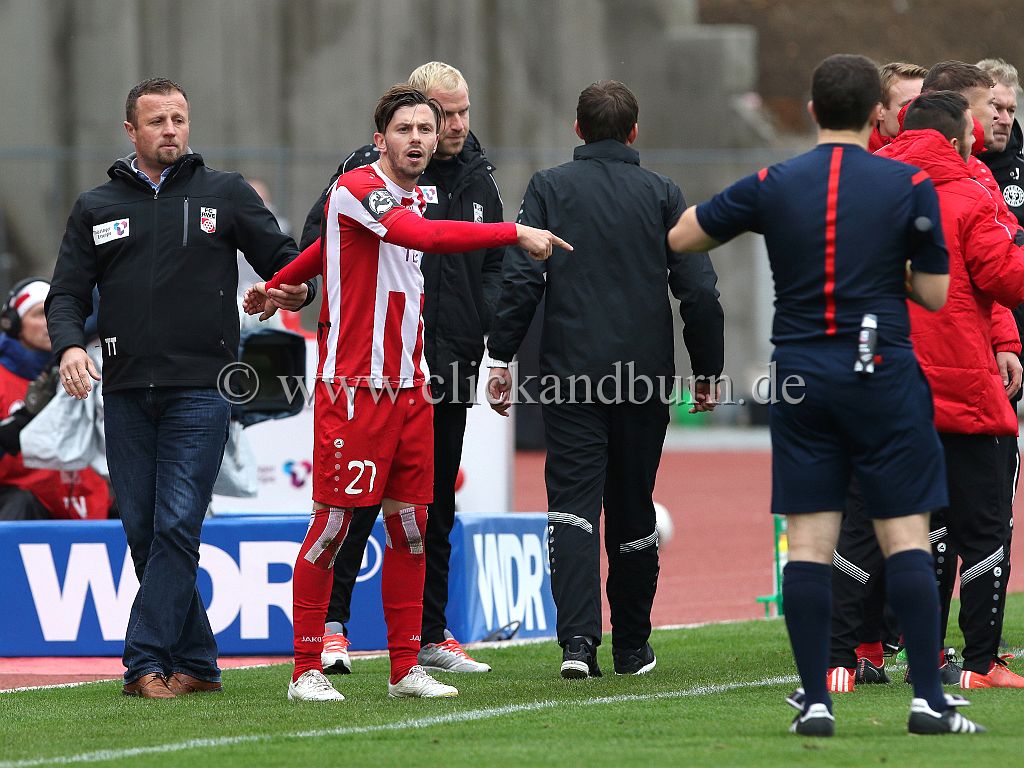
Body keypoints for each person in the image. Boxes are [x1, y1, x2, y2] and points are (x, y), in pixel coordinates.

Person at [669, 54, 983, 736]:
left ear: (812, 110)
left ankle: (815, 701)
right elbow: (935, 293)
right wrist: (887, 269)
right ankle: (928, 701)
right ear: (878, 114)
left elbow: (684, 234)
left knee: (810, 543)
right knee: (905, 535)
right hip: (882, 370)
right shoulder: (907, 182)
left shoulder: (775, 183)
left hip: (803, 374)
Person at [244, 84, 569, 702]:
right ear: (380, 139)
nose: (418, 139)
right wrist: (514, 233)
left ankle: (403, 669)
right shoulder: (358, 187)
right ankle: (306, 668)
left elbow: (324, 249)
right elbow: (426, 239)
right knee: (332, 528)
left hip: (412, 387)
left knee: (412, 529)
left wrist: (276, 283)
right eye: (405, 129)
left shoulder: (410, 197)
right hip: (354, 388)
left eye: (426, 128)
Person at [46, 77, 317, 699]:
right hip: (124, 390)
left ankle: (144, 662)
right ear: (131, 130)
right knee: (143, 531)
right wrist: (68, 347)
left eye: (179, 119)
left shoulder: (225, 192)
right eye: (157, 121)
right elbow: (66, 293)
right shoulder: (95, 206)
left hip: (202, 387)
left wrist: (293, 289)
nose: (171, 130)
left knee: (176, 525)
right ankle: (198, 662)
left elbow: (287, 262)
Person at [486, 80, 725, 680]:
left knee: (571, 508)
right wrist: (708, 369)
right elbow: (698, 289)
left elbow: (523, 280)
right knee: (633, 506)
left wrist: (500, 357)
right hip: (644, 378)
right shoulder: (664, 193)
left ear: (577, 129)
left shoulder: (548, 188)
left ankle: (576, 644)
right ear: (634, 132)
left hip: (570, 376)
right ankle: (632, 647)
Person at [300, 62, 502, 677]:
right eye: (442, 115)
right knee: (352, 510)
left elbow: (492, 270)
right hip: (365, 375)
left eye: (460, 113)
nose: (454, 126)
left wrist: (483, 330)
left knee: (428, 510)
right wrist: (289, 285)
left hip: (441, 366)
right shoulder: (363, 178)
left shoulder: (478, 176)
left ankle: (427, 637)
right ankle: (330, 632)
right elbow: (323, 239)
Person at [879, 91, 1024, 690]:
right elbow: (1006, 276)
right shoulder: (968, 194)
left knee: (920, 528)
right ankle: (982, 662)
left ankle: (914, 653)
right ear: (956, 138)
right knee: (985, 528)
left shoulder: (867, 191)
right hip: (961, 388)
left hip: (887, 387)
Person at [0, 278, 109, 520]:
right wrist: (24, 418)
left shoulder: (91, 370)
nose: (50, 322)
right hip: (24, 506)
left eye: (54, 314)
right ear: (13, 323)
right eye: (40, 314)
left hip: (89, 501)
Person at [869, 62, 927, 152]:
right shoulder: (853, 155)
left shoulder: (946, 147)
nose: (922, 112)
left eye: (927, 103)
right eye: (909, 105)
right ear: (879, 111)